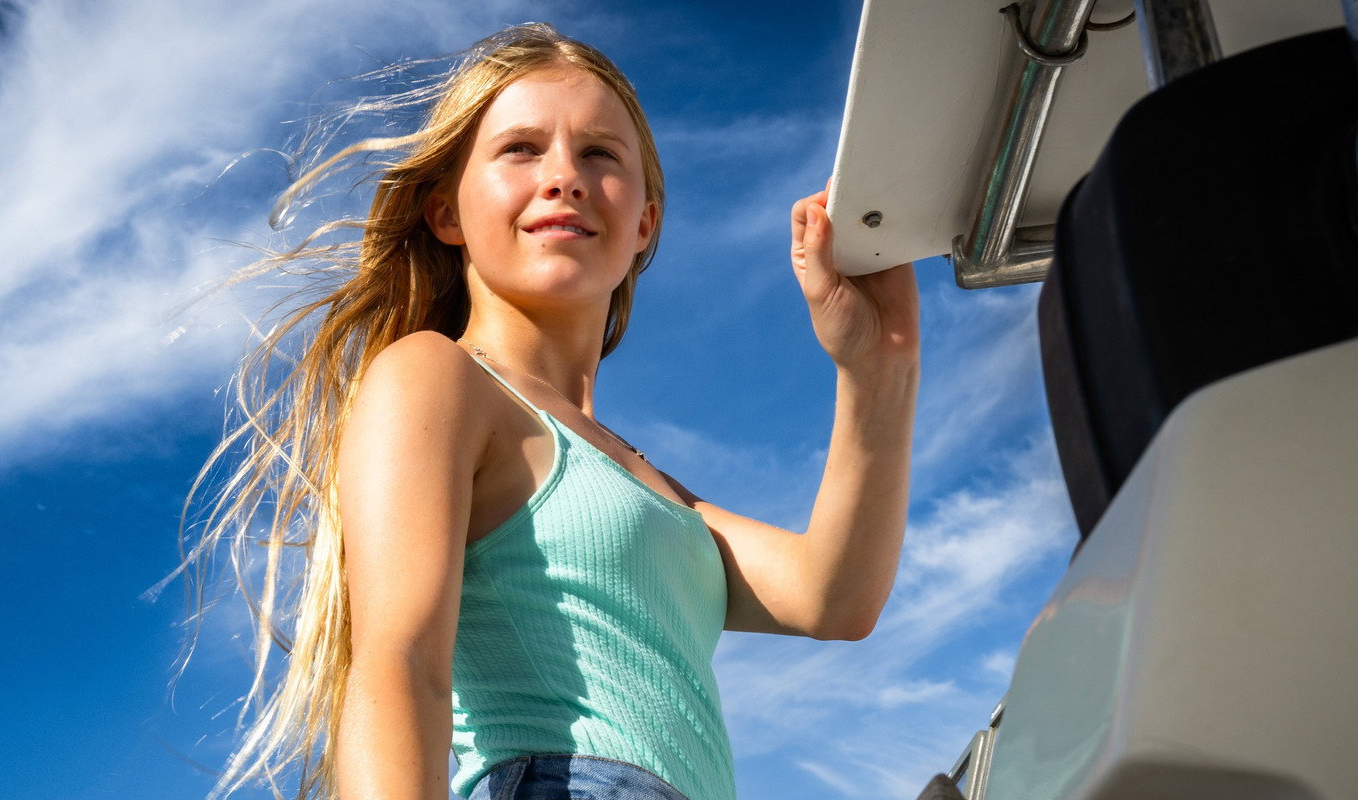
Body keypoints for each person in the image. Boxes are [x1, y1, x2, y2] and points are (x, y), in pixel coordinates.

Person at [182, 22, 918, 800]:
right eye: (521, 149)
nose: (564, 175)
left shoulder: (647, 486)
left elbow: (835, 597)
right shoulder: (437, 375)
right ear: (446, 214)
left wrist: (880, 366)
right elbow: (401, 664)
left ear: (644, 223)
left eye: (599, 153)